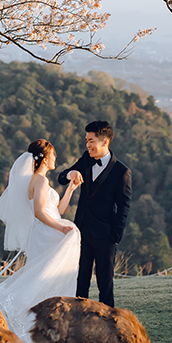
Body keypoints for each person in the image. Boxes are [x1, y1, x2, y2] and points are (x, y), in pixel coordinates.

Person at [0, 139, 81, 343]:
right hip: (45, 233)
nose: (55, 159)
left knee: (47, 277)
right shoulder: (39, 181)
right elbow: (40, 212)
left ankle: (46, 327)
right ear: (45, 158)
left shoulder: (41, 181)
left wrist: (70, 189)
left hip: (47, 230)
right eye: (53, 155)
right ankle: (32, 323)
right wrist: (61, 229)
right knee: (43, 277)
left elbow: (57, 210)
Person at [57, 120, 132, 307]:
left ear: (104, 142)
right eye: (86, 140)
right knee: (80, 281)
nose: (87, 145)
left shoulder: (122, 172)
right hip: (81, 232)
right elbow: (61, 176)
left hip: (105, 236)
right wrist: (71, 173)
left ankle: (108, 323)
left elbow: (124, 206)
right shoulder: (86, 159)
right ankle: (78, 320)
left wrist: (114, 236)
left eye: (91, 140)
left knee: (105, 284)